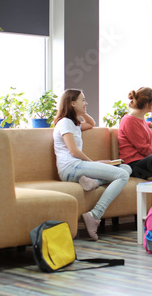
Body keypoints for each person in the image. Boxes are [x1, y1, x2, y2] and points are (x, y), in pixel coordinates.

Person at [53, 89, 132, 241]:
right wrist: (94, 163)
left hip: (77, 166)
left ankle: (92, 182)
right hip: (70, 168)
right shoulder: (65, 123)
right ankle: (94, 215)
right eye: (83, 100)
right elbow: (74, 151)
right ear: (72, 103)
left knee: (126, 168)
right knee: (121, 175)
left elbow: (91, 123)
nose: (86, 103)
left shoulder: (73, 123)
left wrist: (81, 111)